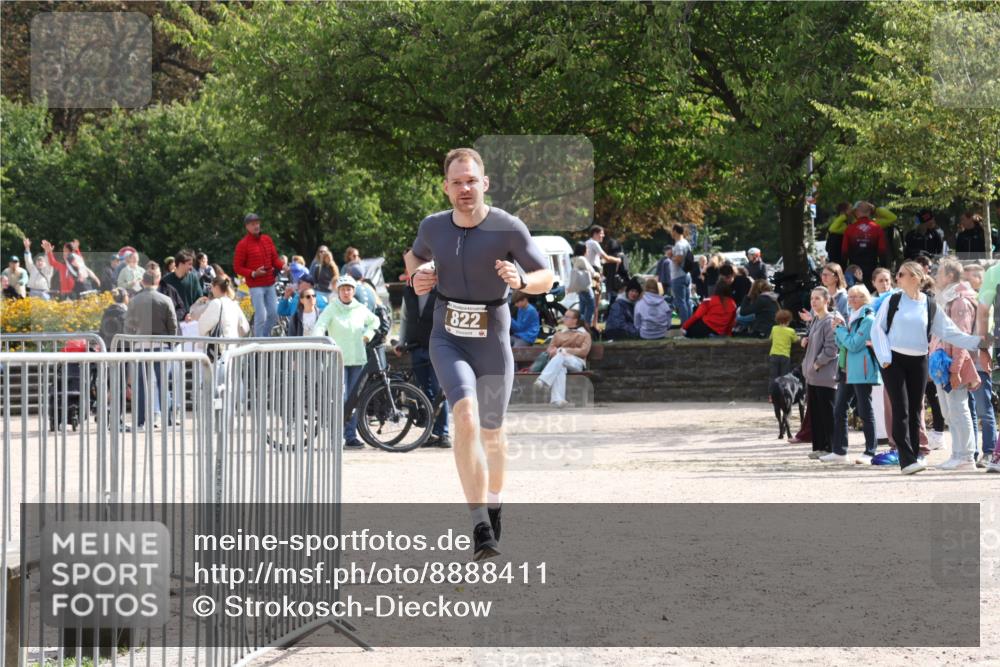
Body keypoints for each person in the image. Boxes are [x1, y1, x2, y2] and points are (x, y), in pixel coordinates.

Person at [404, 147, 553, 560]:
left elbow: (546, 276)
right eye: (457, 182)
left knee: (492, 432)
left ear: (484, 183)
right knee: (464, 415)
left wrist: (521, 277)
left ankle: (495, 499)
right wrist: (418, 274)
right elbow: (415, 255)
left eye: (472, 180)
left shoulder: (507, 227)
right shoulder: (433, 227)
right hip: (446, 333)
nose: (465, 188)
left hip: (492, 336)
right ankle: (479, 525)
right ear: (446, 187)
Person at [872, 261, 989, 474]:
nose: (897, 278)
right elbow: (877, 329)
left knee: (916, 410)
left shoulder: (929, 304)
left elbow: (949, 331)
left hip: (919, 361)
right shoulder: (892, 300)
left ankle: (915, 455)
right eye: (897, 274)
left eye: (902, 274)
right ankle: (906, 460)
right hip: (893, 361)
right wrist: (884, 357)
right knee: (901, 409)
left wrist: (976, 342)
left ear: (916, 278)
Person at [313, 275, 380, 450]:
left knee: (354, 399)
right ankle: (337, 435)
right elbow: (320, 325)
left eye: (349, 289)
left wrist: (368, 335)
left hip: (357, 358)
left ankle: (351, 436)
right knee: (340, 398)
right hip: (337, 359)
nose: (346, 292)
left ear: (353, 291)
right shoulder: (331, 308)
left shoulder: (360, 308)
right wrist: (322, 340)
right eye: (343, 289)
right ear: (338, 291)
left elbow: (375, 321)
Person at [929, 258, 983, 470]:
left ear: (949, 276)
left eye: (939, 272)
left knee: (959, 409)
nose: (935, 276)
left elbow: (960, 339)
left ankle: (966, 456)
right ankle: (957, 453)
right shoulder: (944, 300)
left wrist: (955, 370)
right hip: (941, 364)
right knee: (949, 411)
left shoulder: (959, 301)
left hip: (953, 365)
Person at [396, 262, 450, 448]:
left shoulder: (443, 293)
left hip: (438, 347)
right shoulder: (409, 292)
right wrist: (401, 341)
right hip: (416, 347)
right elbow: (404, 318)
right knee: (423, 392)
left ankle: (443, 433)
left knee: (438, 391)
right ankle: (430, 432)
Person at [828, 285, 881, 464]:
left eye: (856, 297)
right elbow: (842, 343)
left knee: (865, 411)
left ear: (864, 298)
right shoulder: (852, 316)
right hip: (846, 369)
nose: (851, 300)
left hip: (861, 370)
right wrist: (838, 330)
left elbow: (853, 344)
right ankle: (839, 451)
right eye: (849, 296)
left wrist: (840, 330)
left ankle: (870, 451)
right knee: (839, 409)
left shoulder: (868, 319)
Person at [125, 268, 179, 430]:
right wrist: (171, 344)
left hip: (141, 346)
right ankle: (168, 421)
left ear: (142, 282)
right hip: (162, 346)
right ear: (156, 281)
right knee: (164, 384)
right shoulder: (165, 300)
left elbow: (128, 326)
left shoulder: (134, 300)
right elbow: (173, 325)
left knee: (141, 385)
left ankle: (140, 422)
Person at [801, 287, 840, 459]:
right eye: (812, 298)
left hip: (825, 376)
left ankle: (831, 447)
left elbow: (832, 349)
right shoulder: (816, 320)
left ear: (826, 300)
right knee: (816, 414)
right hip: (812, 376)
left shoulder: (830, 321)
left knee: (827, 414)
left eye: (817, 298)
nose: (813, 301)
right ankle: (819, 447)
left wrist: (817, 364)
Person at [234, 213, 285, 337]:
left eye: (257, 223)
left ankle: (263, 338)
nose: (256, 226)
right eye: (253, 224)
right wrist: (253, 273)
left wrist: (284, 266)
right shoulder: (243, 244)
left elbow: (275, 260)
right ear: (247, 227)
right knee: (261, 315)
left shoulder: (267, 239)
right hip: (255, 285)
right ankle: (257, 343)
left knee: (273, 314)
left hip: (270, 283)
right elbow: (237, 267)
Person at [534, 309, 592, 408]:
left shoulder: (584, 334)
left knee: (560, 355)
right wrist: (553, 351)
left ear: (575, 320)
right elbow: (550, 349)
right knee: (560, 366)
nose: (564, 319)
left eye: (567, 317)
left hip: (577, 362)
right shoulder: (559, 333)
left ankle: (543, 380)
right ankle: (558, 400)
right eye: (564, 316)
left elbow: (584, 351)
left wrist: (565, 351)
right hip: (559, 362)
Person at [841, 201, 888, 287]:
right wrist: (884, 270)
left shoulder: (849, 229)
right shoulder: (877, 228)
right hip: (872, 269)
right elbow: (882, 251)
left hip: (854, 271)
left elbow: (844, 252)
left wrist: (843, 270)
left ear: (856, 212)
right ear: (869, 212)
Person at [161, 250, 206, 314]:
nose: (191, 267)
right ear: (180, 264)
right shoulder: (165, 281)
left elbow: (200, 299)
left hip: (190, 320)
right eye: (189, 264)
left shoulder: (193, 278)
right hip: (173, 320)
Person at [666, 224, 694, 323]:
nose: (670, 233)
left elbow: (679, 259)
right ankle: (690, 326)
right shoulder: (686, 242)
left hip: (678, 276)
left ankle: (685, 328)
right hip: (686, 275)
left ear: (675, 231)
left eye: (671, 231)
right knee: (687, 302)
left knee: (680, 303)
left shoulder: (679, 244)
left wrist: (670, 256)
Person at [568, 242, 599, 325]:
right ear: (583, 249)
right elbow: (592, 272)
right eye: (587, 248)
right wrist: (598, 274)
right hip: (586, 287)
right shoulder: (582, 259)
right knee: (590, 306)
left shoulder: (574, 259)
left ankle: (579, 324)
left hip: (579, 288)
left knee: (582, 308)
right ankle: (586, 324)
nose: (588, 250)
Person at [768, 309, 798, 388]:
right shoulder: (791, 331)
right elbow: (796, 339)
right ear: (788, 320)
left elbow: (770, 338)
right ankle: (783, 394)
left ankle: (772, 395)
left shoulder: (774, 328)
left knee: (773, 376)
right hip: (785, 356)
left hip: (774, 355)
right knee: (784, 377)